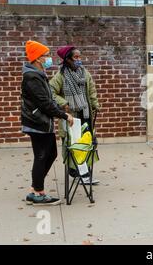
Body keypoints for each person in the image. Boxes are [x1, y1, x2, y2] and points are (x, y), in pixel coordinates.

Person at [21, 40, 74, 206]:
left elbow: (48, 100)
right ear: (37, 58)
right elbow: (44, 103)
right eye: (46, 55)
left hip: (43, 123)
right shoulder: (31, 77)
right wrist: (64, 115)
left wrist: (59, 108)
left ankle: (35, 189)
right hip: (37, 123)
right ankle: (38, 193)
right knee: (42, 156)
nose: (49, 58)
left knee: (51, 154)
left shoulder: (38, 74)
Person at [49, 45, 101, 185]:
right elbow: (51, 93)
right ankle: (77, 172)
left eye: (80, 57)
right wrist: (63, 102)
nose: (79, 60)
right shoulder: (60, 76)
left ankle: (85, 173)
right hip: (71, 116)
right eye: (76, 57)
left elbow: (91, 90)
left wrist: (95, 104)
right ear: (68, 59)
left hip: (85, 114)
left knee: (86, 142)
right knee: (73, 144)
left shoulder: (85, 73)